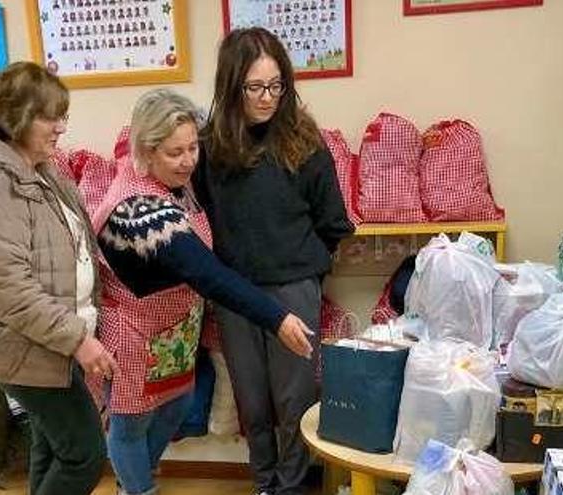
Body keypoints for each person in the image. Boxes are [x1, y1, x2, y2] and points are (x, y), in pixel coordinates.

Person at [90, 88, 315, 495]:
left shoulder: (176, 182)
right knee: (130, 422)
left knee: (175, 404)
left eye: (193, 147)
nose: (189, 160)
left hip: (172, 332)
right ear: (147, 150)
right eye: (175, 152)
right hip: (134, 332)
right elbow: (204, 271)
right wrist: (277, 318)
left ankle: (139, 476)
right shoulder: (136, 210)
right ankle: (138, 489)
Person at [194, 27, 354, 495]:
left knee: (294, 400)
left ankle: (291, 487)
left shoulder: (304, 140)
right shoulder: (211, 145)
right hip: (235, 294)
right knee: (252, 401)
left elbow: (332, 222)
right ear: (231, 86)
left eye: (276, 85)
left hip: (293, 287)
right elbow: (202, 216)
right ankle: (264, 484)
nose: (268, 97)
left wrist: (306, 272)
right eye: (255, 87)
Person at [0, 61, 118, 495]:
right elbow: (10, 289)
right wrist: (79, 340)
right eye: (50, 116)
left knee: (51, 446)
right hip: (27, 346)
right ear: (15, 118)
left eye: (62, 115)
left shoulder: (38, 170)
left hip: (51, 342)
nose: (60, 127)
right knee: (83, 452)